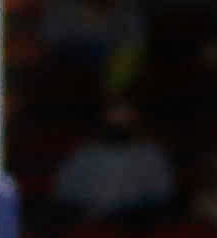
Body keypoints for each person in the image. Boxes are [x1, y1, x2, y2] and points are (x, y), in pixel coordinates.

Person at [46, 95, 178, 223]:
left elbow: (162, 195)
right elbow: (63, 191)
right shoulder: (85, 154)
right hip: (87, 223)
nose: (118, 123)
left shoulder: (151, 155)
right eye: (113, 117)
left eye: (124, 118)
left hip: (135, 226)